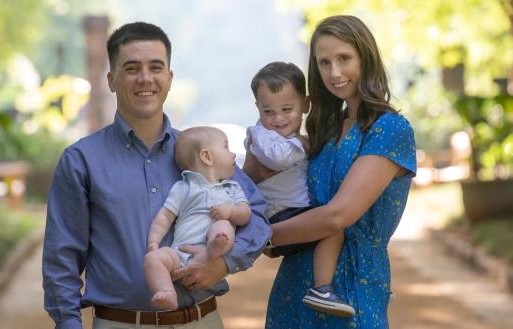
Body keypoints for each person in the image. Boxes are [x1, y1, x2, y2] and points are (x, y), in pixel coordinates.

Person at [42, 22, 271, 329]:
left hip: (202, 321)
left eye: (156, 67)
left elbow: (256, 214)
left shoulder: (202, 150)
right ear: (112, 79)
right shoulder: (81, 161)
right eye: (132, 68)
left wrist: (223, 263)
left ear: (169, 77)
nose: (145, 78)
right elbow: (62, 258)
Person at [244, 15, 416, 328]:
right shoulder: (325, 130)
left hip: (352, 285)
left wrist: (258, 238)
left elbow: (338, 216)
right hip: (293, 286)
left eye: (344, 58)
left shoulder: (389, 129)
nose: (334, 72)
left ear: (365, 58)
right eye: (324, 62)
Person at [246, 61, 354, 316]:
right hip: (279, 214)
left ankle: (348, 284)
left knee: (340, 230)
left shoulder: (285, 135)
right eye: (268, 111)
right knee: (333, 228)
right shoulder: (261, 134)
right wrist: (304, 145)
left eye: (287, 109)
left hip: (291, 210)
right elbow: (277, 159)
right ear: (258, 109)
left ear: (305, 105)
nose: (278, 118)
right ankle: (322, 288)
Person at [144, 126, 252, 311]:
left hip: (211, 254)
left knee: (223, 225)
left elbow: (246, 213)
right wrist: (154, 242)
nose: (233, 154)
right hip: (179, 253)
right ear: (207, 157)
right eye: (226, 147)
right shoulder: (182, 187)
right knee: (152, 260)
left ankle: (216, 246)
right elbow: (164, 217)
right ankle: (167, 292)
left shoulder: (231, 188)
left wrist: (231, 212)